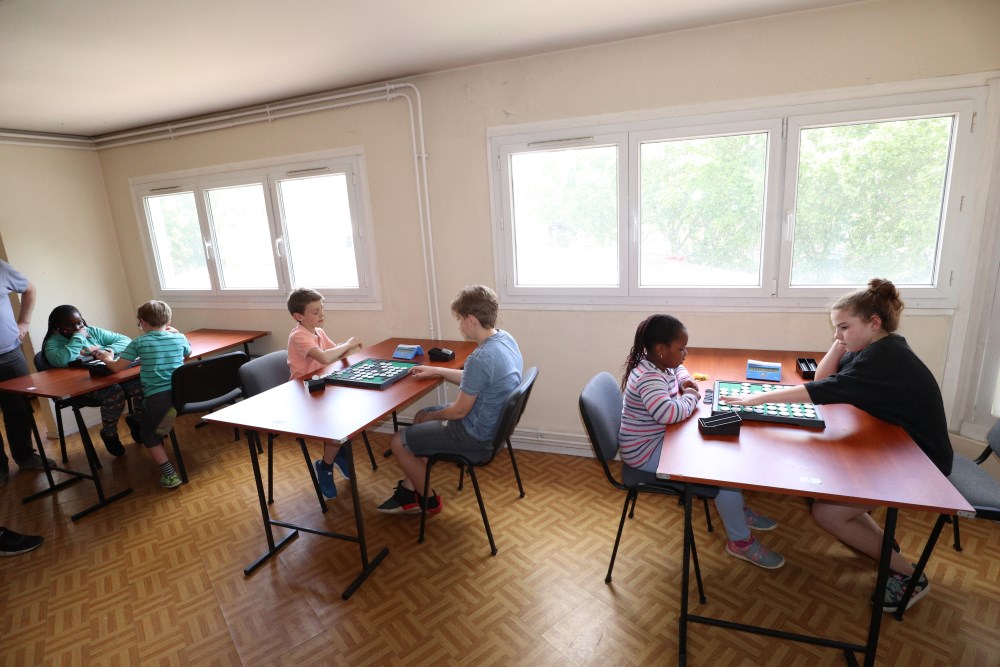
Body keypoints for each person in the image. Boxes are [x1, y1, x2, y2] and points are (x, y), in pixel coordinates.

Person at [723, 278, 953, 612]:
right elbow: (823, 378)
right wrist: (841, 340)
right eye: (835, 327)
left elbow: (817, 392)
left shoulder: (882, 359)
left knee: (827, 512)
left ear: (874, 323)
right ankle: (884, 547)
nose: (837, 334)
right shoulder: (877, 346)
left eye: (844, 327)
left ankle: (910, 576)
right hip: (898, 448)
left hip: (919, 465)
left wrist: (755, 399)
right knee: (829, 497)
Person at [619, 314, 784, 569]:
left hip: (660, 439)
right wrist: (691, 396)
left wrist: (685, 379)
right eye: (681, 349)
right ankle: (739, 542)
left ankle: (737, 511)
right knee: (722, 472)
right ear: (661, 349)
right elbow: (667, 414)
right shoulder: (648, 378)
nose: (685, 354)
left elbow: (677, 369)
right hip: (645, 453)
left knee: (724, 456)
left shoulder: (657, 362)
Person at [378, 285, 522, 515]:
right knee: (420, 417)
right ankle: (409, 489)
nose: (460, 325)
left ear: (471, 320)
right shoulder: (504, 339)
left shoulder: (480, 358)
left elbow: (459, 412)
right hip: (491, 427)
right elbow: (479, 380)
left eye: (460, 319)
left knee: (398, 441)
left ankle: (429, 501)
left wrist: (433, 416)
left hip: (475, 436)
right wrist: (437, 371)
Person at [94, 300, 190, 489]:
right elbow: (187, 354)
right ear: (168, 321)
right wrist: (177, 333)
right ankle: (140, 421)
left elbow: (117, 368)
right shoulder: (179, 338)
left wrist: (106, 358)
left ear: (143, 322)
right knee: (162, 422)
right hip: (180, 395)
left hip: (158, 398)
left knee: (149, 438)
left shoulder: (139, 342)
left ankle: (170, 476)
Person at [286, 287, 363, 499]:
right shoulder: (299, 336)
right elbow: (326, 357)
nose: (322, 315)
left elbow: (334, 354)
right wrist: (347, 345)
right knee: (339, 424)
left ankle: (338, 454)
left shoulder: (318, 332)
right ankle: (325, 466)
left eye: (322, 309)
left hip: (322, 386)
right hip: (303, 394)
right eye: (315, 311)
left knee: (356, 414)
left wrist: (346, 348)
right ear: (298, 316)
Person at [42, 305, 144, 457]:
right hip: (81, 386)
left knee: (142, 384)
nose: (77, 328)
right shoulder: (52, 343)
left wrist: (107, 351)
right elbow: (63, 360)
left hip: (107, 375)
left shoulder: (93, 332)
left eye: (79, 323)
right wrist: (79, 337)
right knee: (114, 393)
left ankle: (138, 421)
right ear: (57, 327)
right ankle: (109, 434)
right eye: (69, 325)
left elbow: (125, 340)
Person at [0, 259, 53, 488]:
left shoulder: (0, 268)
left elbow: (29, 288)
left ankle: (26, 457)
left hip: (9, 354)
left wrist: (24, 322)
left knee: (20, 409)